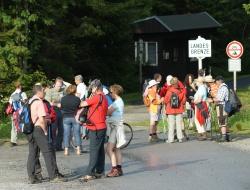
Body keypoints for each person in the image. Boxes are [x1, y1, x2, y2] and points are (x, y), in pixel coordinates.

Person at [27, 85, 65, 184]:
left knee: (33, 153)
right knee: (47, 152)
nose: (44, 93)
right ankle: (53, 176)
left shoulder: (30, 101)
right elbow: (42, 119)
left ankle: (32, 177)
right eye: (43, 91)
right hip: (39, 129)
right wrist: (45, 131)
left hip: (31, 130)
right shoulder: (39, 102)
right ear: (38, 92)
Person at [79, 79, 108, 182]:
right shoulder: (104, 97)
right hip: (101, 126)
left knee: (94, 151)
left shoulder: (96, 97)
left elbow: (82, 104)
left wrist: (89, 96)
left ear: (96, 88)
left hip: (96, 128)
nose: (91, 89)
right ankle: (100, 171)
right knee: (100, 150)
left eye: (92, 87)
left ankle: (90, 173)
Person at [106, 84, 125, 177]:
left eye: (111, 92)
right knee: (117, 149)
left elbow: (107, 112)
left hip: (115, 127)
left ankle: (114, 170)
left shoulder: (116, 102)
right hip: (119, 127)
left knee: (109, 149)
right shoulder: (120, 101)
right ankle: (119, 168)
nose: (110, 94)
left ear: (114, 92)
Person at [45, 77, 65, 151]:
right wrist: (56, 104)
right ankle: (52, 145)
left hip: (62, 111)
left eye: (60, 86)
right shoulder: (50, 91)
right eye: (58, 86)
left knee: (61, 129)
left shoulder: (63, 91)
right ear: (55, 84)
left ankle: (58, 146)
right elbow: (48, 102)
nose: (59, 88)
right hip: (53, 111)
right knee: (53, 129)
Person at [61, 85, 81, 155]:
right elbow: (79, 107)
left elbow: (62, 108)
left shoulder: (63, 99)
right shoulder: (77, 99)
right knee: (77, 134)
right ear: (75, 91)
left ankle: (66, 150)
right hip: (75, 117)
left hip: (66, 117)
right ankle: (78, 150)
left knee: (66, 134)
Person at [164, 77, 186, 143]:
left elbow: (165, 100)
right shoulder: (181, 92)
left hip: (170, 110)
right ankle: (180, 138)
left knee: (171, 125)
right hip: (179, 110)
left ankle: (171, 139)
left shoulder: (169, 91)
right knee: (179, 124)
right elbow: (184, 101)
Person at [9, 81, 28, 146]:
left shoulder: (12, 94)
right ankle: (29, 138)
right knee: (25, 125)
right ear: (20, 86)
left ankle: (13, 141)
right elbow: (26, 103)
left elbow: (10, 104)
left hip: (14, 113)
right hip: (22, 112)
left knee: (14, 126)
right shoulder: (23, 94)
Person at [212, 76, 230, 142]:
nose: (216, 83)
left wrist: (213, 99)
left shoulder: (223, 88)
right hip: (222, 106)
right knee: (224, 121)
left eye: (216, 82)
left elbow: (219, 99)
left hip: (222, 107)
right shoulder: (223, 87)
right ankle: (227, 136)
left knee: (222, 122)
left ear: (219, 81)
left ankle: (224, 137)